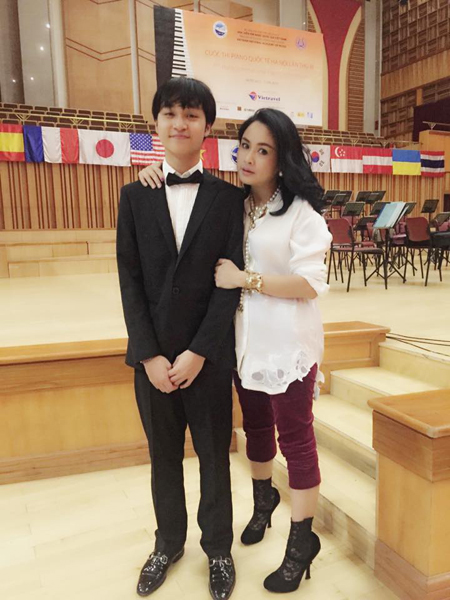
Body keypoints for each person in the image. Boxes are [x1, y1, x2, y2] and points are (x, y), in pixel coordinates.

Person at [138, 107, 331, 594]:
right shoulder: (233, 204)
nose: (249, 157)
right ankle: (264, 503)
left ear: (282, 159)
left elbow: (310, 283)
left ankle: (301, 543)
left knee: (296, 439)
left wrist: (246, 279)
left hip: (286, 346)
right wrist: (152, 174)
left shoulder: (301, 214)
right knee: (257, 428)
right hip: (244, 345)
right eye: (244, 145)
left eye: (263, 150)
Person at [117, 77, 244, 600]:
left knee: (215, 458)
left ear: (207, 127)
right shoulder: (134, 195)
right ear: (156, 123)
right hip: (152, 362)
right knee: (163, 458)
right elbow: (129, 280)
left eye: (191, 115)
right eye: (170, 113)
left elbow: (229, 286)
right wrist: (148, 354)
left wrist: (200, 351)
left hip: (206, 359)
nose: (180, 123)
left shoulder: (230, 200)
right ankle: (167, 543)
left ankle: (219, 549)